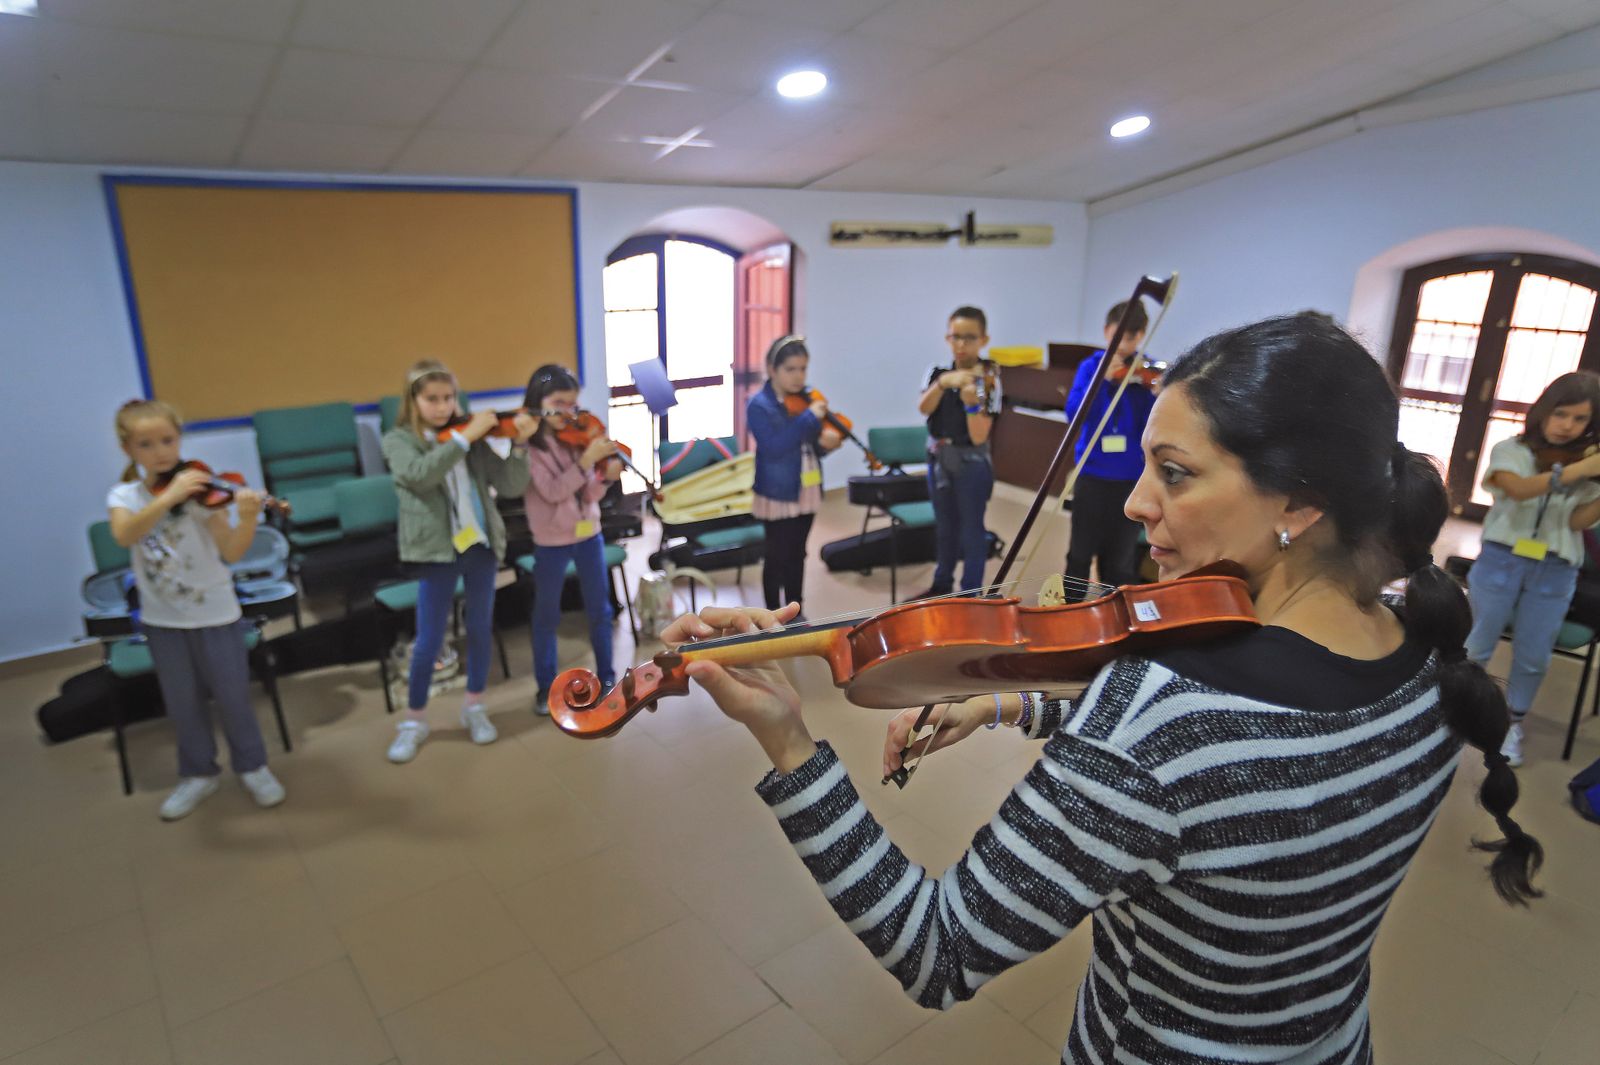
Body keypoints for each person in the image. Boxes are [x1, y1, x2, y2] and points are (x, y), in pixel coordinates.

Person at [663, 314, 1542, 1064]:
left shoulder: (1162, 718)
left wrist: (789, 741)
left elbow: (937, 948)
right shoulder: (1434, 662)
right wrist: (1009, 697)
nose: (1135, 502)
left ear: (1299, 503)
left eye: (1177, 472)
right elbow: (1235, 779)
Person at [108, 399, 287, 820]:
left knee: (232, 697)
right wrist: (168, 496)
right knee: (182, 701)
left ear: (179, 439)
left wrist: (244, 518)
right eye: (147, 444)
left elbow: (230, 552)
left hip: (217, 615)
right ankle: (198, 774)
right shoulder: (126, 496)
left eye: (168, 441)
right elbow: (124, 534)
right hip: (163, 621)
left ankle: (253, 766)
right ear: (128, 449)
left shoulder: (203, 490)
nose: (161, 452)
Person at [381, 360, 536, 762]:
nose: (442, 406)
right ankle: (414, 719)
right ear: (413, 401)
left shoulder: (470, 435)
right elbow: (419, 475)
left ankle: (475, 706)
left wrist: (518, 446)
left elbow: (510, 483)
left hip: (479, 546)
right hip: (436, 551)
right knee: (429, 639)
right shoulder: (399, 440)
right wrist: (465, 438)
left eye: (448, 397)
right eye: (432, 399)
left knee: (480, 629)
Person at [1463, 371, 1600, 766]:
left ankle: (1512, 723)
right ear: (1544, 410)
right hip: (1501, 559)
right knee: (1476, 644)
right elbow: (1518, 490)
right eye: (1561, 414)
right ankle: (1461, 713)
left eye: (1580, 420)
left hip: (1556, 568)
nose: (1568, 427)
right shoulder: (1512, 450)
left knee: (1534, 654)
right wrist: (1576, 473)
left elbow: (1576, 523)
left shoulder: (1586, 465)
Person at [523, 365, 620, 715]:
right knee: (547, 614)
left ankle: (607, 678)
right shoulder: (531, 449)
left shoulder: (576, 439)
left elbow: (588, 495)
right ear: (538, 402)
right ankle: (545, 688)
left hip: (588, 534)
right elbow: (551, 492)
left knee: (600, 609)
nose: (568, 411)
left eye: (572, 403)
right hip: (551, 541)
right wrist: (586, 463)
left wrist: (605, 478)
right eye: (558, 403)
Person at [1062, 299, 1158, 600]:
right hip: (1092, 475)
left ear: (1141, 335)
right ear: (1106, 331)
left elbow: (1152, 428)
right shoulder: (1091, 367)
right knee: (1080, 551)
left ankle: (1113, 611)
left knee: (1120, 557)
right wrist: (1100, 384)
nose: (1124, 345)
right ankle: (1072, 607)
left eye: (1131, 338)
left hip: (1130, 479)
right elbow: (1075, 413)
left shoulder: (1146, 373)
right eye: (1118, 337)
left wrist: (1157, 395)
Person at [747, 335, 841, 621]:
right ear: (772, 369)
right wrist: (809, 419)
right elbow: (775, 447)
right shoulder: (759, 405)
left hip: (807, 486)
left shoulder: (807, 399)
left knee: (798, 552)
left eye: (803, 369)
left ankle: (795, 609)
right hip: (777, 491)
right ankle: (771, 615)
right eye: (791, 369)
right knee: (776, 555)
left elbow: (809, 447)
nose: (799, 376)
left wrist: (826, 443)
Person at [915, 306, 998, 598]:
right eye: (955, 337)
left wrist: (971, 403)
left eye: (969, 338)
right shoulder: (937, 372)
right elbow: (923, 408)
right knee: (945, 527)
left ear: (983, 340)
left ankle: (969, 594)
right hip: (938, 460)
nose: (961, 345)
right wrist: (942, 384)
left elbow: (979, 435)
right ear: (947, 338)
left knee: (972, 531)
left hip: (971, 464)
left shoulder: (990, 379)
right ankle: (941, 585)